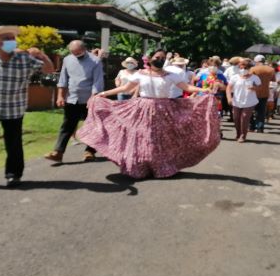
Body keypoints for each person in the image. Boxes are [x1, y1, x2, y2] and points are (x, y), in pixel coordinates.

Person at [77, 49, 218, 179]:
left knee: (162, 139)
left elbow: (185, 87)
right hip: (142, 109)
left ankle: (161, 166)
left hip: (164, 109)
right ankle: (140, 166)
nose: (160, 59)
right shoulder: (140, 74)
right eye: (157, 57)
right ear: (150, 59)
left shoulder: (171, 75)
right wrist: (103, 94)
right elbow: (125, 88)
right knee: (142, 137)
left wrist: (203, 91)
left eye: (163, 58)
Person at [0, 25, 54, 192]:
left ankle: (13, 175)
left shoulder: (24, 59)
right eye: (5, 38)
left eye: (12, 38)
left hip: (14, 110)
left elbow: (49, 70)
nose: (10, 42)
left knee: (13, 144)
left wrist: (41, 55)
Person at [44, 40, 104, 164]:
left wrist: (93, 98)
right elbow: (63, 79)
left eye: (78, 52)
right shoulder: (67, 60)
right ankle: (58, 152)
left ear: (84, 49)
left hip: (89, 99)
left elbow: (97, 82)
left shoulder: (95, 61)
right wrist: (60, 96)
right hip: (71, 98)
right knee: (67, 125)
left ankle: (90, 151)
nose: (75, 55)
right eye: (73, 52)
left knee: (92, 126)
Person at [226, 58, 261, 142]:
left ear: (249, 69)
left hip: (249, 101)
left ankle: (243, 135)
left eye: (246, 68)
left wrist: (254, 88)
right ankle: (238, 133)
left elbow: (260, 87)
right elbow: (229, 88)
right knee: (236, 118)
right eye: (241, 68)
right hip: (236, 101)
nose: (243, 70)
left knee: (244, 118)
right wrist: (229, 98)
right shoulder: (235, 77)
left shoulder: (255, 78)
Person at [249, 54, 275, 133]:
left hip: (254, 92)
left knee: (250, 110)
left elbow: (249, 79)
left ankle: (252, 127)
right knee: (261, 111)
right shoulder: (271, 69)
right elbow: (273, 80)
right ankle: (260, 128)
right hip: (265, 92)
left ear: (256, 61)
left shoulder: (253, 69)